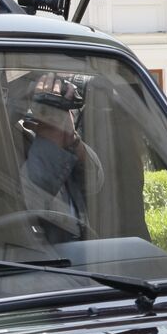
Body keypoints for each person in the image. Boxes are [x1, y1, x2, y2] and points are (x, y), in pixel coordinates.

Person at [20, 73, 104, 242]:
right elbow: (28, 203)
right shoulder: (3, 133)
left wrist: (71, 138)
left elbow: (96, 181)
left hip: (79, 251)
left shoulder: (42, 127)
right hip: (45, 259)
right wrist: (52, 134)